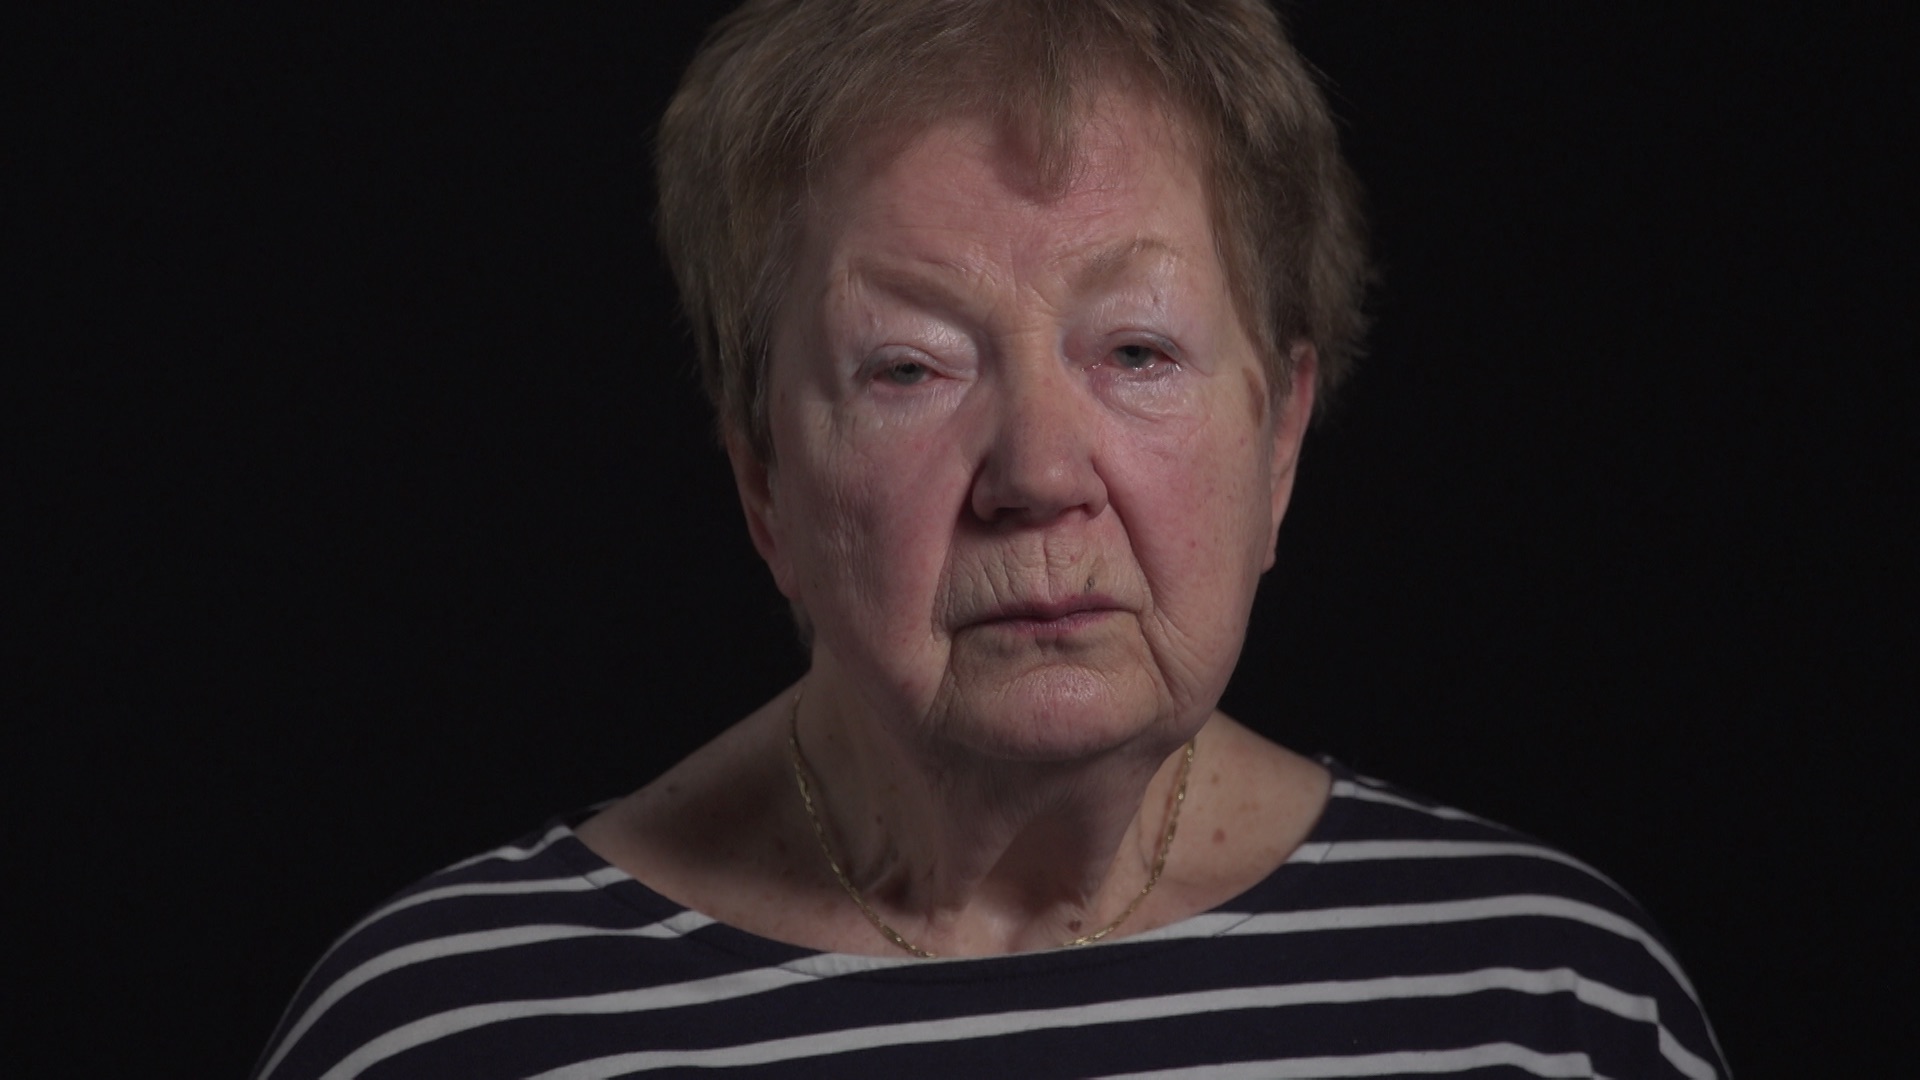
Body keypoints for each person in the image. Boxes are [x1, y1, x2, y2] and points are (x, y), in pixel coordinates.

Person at [254, 1, 1727, 1076]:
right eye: (911, 367)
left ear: (1278, 439)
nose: (1036, 473)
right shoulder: (449, 1031)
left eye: (1137, 351)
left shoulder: (1550, 1007)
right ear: (764, 480)